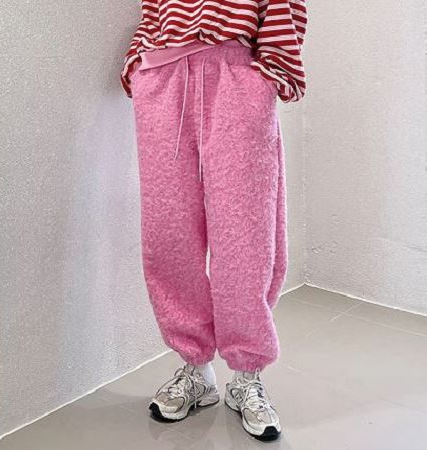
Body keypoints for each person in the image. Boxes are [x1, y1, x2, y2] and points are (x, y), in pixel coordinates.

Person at [120, 0, 307, 441]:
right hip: (164, 81)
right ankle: (195, 369)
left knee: (245, 236)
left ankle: (246, 375)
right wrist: (137, 65)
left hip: (236, 77)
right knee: (168, 232)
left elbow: (285, 12)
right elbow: (153, 13)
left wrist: (266, 76)